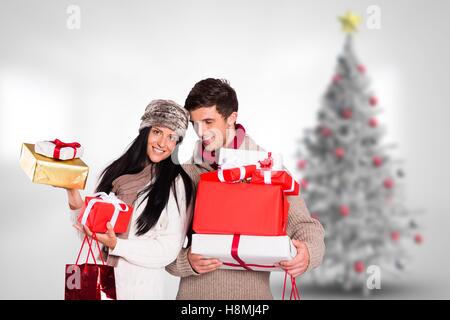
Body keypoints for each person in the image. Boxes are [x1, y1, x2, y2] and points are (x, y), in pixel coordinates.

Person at [166, 78, 326, 299]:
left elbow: (307, 227)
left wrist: (307, 254)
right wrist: (186, 262)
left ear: (231, 117)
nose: (201, 132)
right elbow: (158, 240)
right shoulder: (185, 174)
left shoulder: (269, 168)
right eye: (195, 124)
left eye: (209, 121)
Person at [65, 99, 194, 299]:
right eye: (157, 132)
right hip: (96, 281)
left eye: (172, 137)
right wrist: (73, 195)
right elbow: (89, 234)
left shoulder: (176, 185)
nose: (162, 143)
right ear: (145, 131)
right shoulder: (114, 172)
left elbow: (168, 250)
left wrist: (118, 245)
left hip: (139, 289)